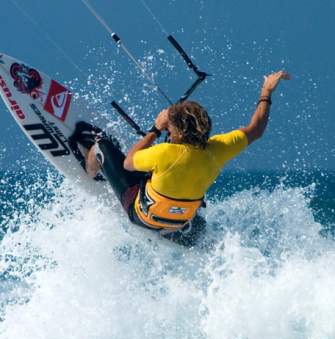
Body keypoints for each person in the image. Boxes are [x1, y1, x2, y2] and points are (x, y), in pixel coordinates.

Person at [72, 70, 290, 246]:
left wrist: (156, 130)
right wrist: (266, 91)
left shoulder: (165, 153)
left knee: (102, 145)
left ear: (176, 131)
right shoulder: (220, 148)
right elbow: (257, 129)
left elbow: (128, 163)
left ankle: (91, 170)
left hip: (141, 216)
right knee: (176, 195)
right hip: (178, 224)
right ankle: (188, 236)